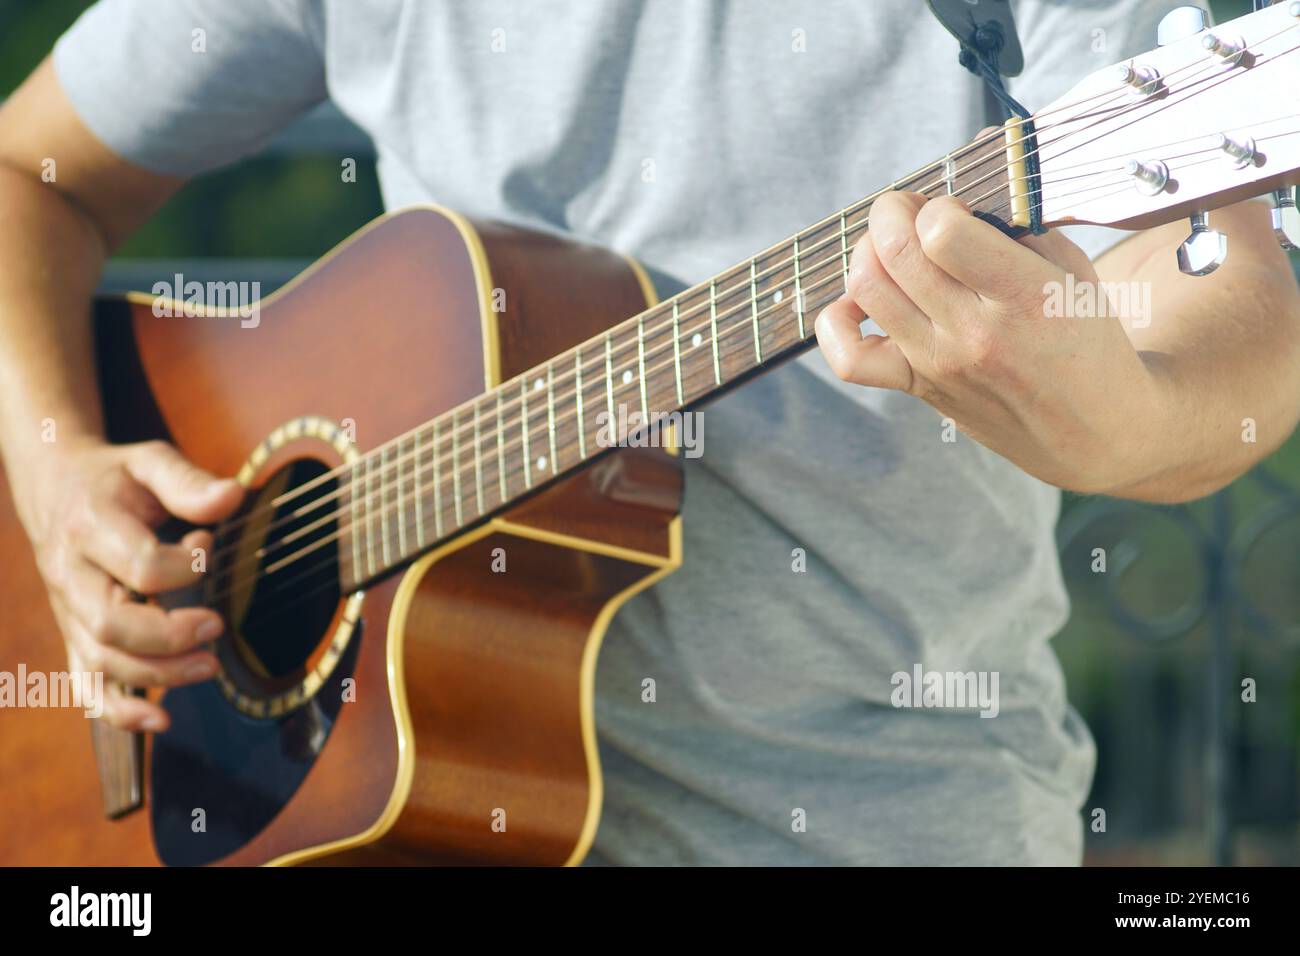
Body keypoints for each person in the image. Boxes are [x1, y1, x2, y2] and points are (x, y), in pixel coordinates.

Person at [0, 1, 1295, 865]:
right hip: (398, 824)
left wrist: (1131, 423)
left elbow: (1220, 296)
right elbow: (25, 177)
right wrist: (61, 479)